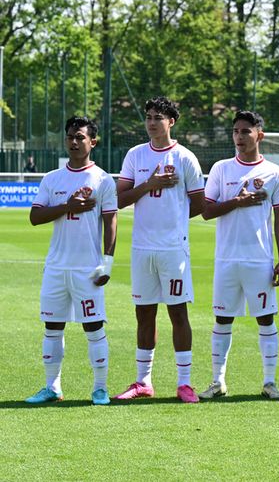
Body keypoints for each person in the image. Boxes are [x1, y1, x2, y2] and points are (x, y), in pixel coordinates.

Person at [113, 97, 206, 404]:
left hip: (172, 250)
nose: (152, 122)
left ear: (171, 122)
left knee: (178, 313)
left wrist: (176, 217)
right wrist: (150, 183)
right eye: (149, 117)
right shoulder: (135, 155)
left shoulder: (185, 158)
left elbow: (200, 203)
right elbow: (120, 198)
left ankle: (184, 383)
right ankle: (143, 382)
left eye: (158, 118)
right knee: (144, 314)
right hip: (142, 248)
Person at [26, 116, 117, 405]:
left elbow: (111, 221)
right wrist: (67, 206)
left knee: (93, 326)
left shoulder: (103, 179)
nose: (74, 142)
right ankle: (52, 387)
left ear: (93, 141)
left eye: (80, 137)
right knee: (52, 327)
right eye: (70, 137)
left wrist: (108, 262)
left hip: (87, 268)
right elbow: (35, 217)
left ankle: (100, 388)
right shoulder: (52, 178)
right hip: (56, 267)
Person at [199, 110, 279, 400]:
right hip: (227, 260)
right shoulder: (221, 169)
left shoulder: (274, 173)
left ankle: (270, 381)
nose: (239, 136)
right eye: (236, 131)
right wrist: (238, 201)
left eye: (245, 131)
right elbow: (207, 211)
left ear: (259, 135)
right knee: (222, 319)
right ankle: (217, 381)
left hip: (258, 260)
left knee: (265, 319)